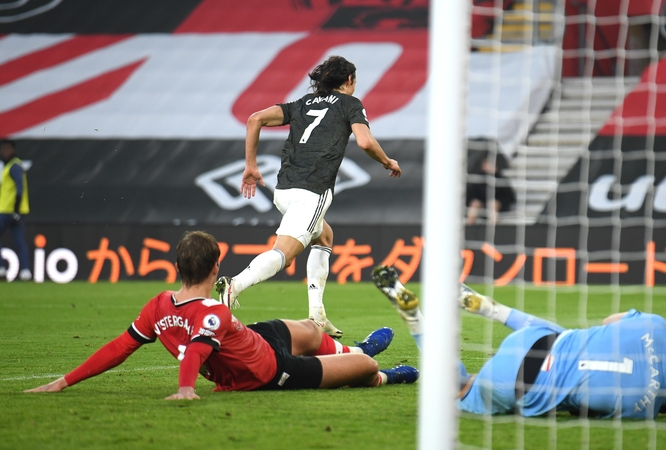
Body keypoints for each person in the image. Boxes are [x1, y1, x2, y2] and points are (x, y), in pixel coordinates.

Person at [25, 232, 418, 399]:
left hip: (253, 340)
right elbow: (196, 350)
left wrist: (64, 381)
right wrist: (185, 388)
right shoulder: (212, 311)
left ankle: (352, 347)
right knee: (365, 367)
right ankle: (380, 371)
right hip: (269, 373)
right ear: (216, 269)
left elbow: (119, 347)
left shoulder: (159, 304)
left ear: (179, 268)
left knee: (312, 330)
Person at [371, 265, 666, 419]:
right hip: (518, 383)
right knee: (458, 388)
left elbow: (608, 323)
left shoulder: (656, 326)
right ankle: (413, 315)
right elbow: (579, 408)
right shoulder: (642, 410)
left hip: (537, 338)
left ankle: (486, 308)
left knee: (566, 336)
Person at [216, 55, 403, 339]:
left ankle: (317, 314)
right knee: (284, 256)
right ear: (349, 80)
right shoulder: (350, 104)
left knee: (324, 237)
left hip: (284, 191)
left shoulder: (301, 104)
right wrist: (387, 161)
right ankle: (234, 286)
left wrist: (251, 165)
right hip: (311, 192)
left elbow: (255, 119)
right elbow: (364, 141)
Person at [0, 139, 32, 281]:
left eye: (4, 149)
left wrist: (15, 210)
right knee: (20, 241)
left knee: (19, 241)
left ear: (9, 149)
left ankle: (1, 268)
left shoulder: (13, 166)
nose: (3, 152)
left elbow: (20, 188)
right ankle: (25, 271)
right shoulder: (12, 165)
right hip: (15, 211)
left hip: (7, 210)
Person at [465, 139, 516, 225]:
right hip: (482, 205)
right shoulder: (479, 179)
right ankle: (469, 228)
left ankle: (494, 228)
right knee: (475, 204)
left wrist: (498, 202)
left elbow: (509, 197)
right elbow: (473, 195)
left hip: (497, 205)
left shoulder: (501, 178)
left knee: (493, 204)